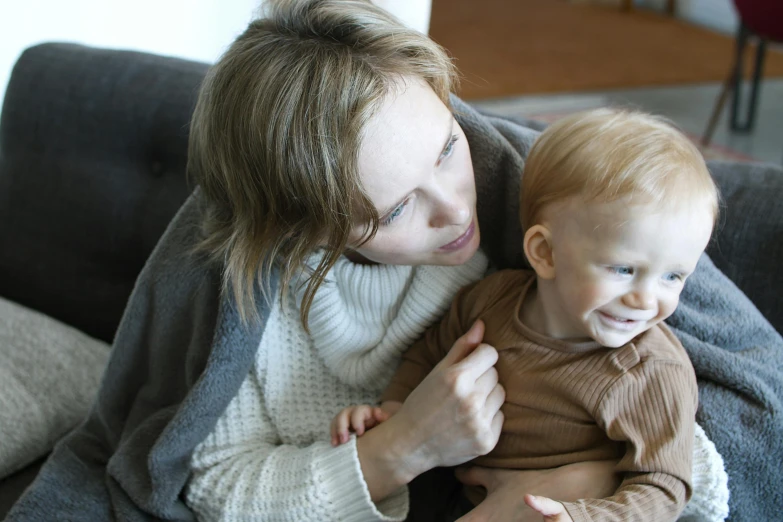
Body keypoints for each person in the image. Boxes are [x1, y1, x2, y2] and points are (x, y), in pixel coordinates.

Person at [6, 1, 781, 521]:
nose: (457, 207)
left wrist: (578, 489)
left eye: (446, 148)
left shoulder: (542, 205)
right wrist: (400, 449)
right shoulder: (256, 292)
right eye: (395, 208)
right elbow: (204, 478)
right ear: (304, 229)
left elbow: (744, 411)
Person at [332, 108, 724, 522]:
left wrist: (587, 517)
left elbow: (664, 484)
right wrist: (394, 412)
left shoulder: (648, 371)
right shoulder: (490, 300)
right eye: (624, 269)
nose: (646, 300)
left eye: (673, 276)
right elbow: (428, 354)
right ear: (544, 252)